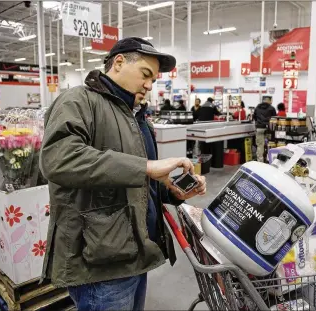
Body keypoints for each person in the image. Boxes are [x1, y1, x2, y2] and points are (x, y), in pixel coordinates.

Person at [39, 37, 207, 311]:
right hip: (100, 264)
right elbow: (59, 159)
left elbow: (141, 179)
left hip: (135, 252)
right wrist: (147, 167)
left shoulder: (136, 118)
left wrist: (171, 191)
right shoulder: (78, 101)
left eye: (154, 79)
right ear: (118, 63)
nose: (149, 85)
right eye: (146, 74)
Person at [254, 96, 276, 162]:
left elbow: (254, 117)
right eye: (271, 100)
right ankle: (269, 160)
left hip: (259, 128)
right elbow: (274, 118)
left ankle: (260, 161)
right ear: (269, 100)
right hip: (269, 129)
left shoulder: (257, 107)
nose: (272, 102)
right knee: (270, 144)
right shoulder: (272, 108)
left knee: (260, 146)